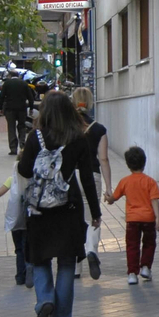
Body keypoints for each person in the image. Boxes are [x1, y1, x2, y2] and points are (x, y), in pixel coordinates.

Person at [17, 92, 101, 317]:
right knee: (66, 262)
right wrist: (95, 212)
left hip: (39, 208)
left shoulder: (35, 138)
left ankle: (45, 299)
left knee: (40, 258)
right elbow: (87, 178)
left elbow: (24, 171)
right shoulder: (78, 138)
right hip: (69, 207)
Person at [70, 86, 112, 280]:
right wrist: (109, 187)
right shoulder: (99, 129)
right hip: (92, 176)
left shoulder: (67, 127)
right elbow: (103, 159)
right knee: (93, 216)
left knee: (74, 218)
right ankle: (92, 251)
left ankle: (75, 268)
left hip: (70, 176)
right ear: (90, 103)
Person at [106, 146, 159, 285]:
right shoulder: (150, 181)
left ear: (128, 165)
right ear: (144, 162)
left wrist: (108, 198)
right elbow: (154, 200)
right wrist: (158, 218)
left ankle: (132, 274)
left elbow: (114, 198)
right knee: (149, 243)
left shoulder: (125, 181)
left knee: (132, 245)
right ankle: (146, 267)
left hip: (132, 220)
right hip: (148, 218)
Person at [0, 168, 31, 287]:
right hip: (29, 219)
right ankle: (29, 267)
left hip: (15, 220)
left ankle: (20, 277)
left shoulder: (12, 180)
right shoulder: (33, 179)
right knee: (28, 247)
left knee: (19, 249)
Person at [0, 69, 35, 156]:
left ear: (10, 76)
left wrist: (0, 108)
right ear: (18, 76)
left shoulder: (7, 83)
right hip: (22, 109)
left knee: (11, 127)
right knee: (22, 126)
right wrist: (31, 108)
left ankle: (13, 148)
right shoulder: (24, 83)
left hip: (10, 109)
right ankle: (22, 145)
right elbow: (30, 97)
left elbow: (2, 96)